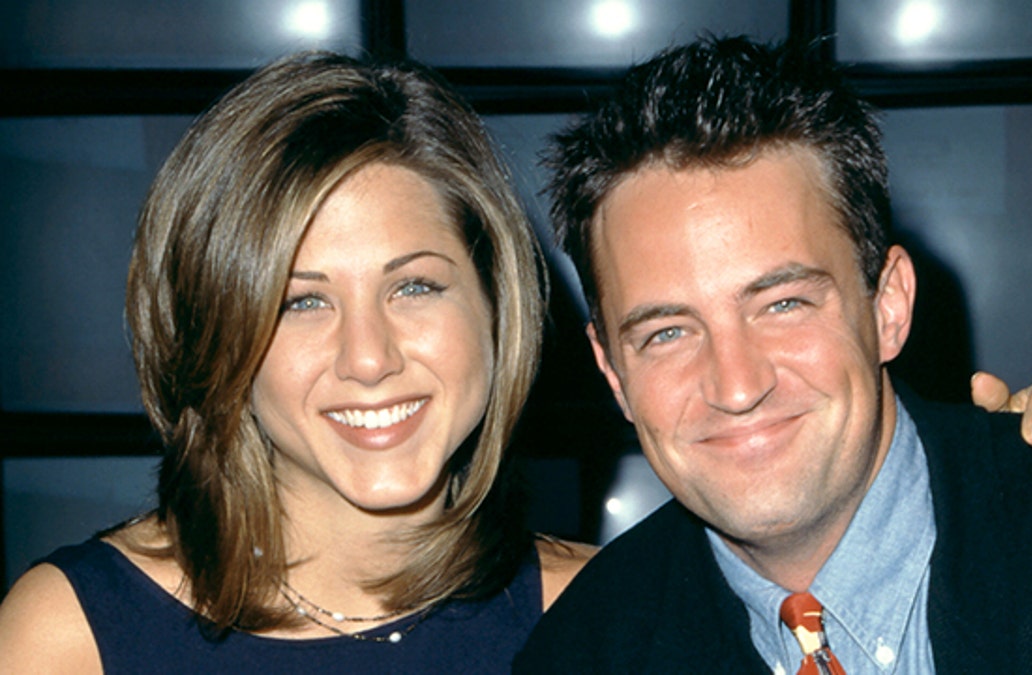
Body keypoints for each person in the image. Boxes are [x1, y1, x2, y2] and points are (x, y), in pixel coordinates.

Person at [514, 36, 1032, 673]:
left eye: (783, 303)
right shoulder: (581, 651)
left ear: (888, 306)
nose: (737, 384)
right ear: (612, 371)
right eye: (667, 332)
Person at [0, 52, 591, 673]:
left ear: (496, 305)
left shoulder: (611, 611)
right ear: (215, 337)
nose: (368, 359)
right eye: (301, 301)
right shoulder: (68, 636)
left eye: (413, 287)